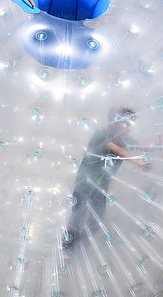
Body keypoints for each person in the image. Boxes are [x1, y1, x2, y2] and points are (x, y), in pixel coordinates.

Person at [64, 106, 150, 250]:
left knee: (97, 221)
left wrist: (157, 148)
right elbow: (119, 151)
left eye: (130, 123)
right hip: (85, 183)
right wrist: (139, 162)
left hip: (101, 187)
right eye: (125, 122)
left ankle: (79, 245)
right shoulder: (102, 133)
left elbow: (142, 147)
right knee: (78, 215)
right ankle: (67, 248)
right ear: (113, 122)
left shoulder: (124, 139)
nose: (128, 126)